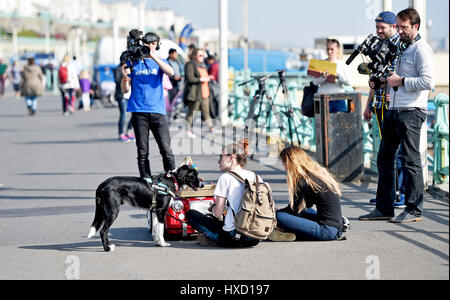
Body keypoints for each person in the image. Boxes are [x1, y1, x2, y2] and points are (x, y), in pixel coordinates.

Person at [359, 8, 434, 223]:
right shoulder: (402, 47)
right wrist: (382, 83)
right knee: (384, 158)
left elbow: (427, 82)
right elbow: (395, 79)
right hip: (394, 110)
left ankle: (414, 210)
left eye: (404, 27)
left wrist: (401, 81)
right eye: (398, 27)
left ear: (415, 27)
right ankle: (384, 208)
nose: (399, 31)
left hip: (412, 110)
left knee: (410, 160)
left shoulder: (422, 49)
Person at [362, 11, 406, 209]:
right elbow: (375, 79)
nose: (379, 31)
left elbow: (399, 75)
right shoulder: (379, 45)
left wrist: (390, 87)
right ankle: (388, 193)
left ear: (393, 27)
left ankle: (400, 193)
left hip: (395, 104)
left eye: (383, 27)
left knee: (398, 153)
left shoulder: (399, 46)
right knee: (385, 153)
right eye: (377, 27)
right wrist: (368, 104)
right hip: (379, 103)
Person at [185, 139, 260, 247]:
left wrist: (213, 207)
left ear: (232, 157)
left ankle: (214, 239)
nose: (219, 161)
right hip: (255, 237)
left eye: (221, 157)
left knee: (191, 214)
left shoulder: (225, 178)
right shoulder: (256, 177)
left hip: (234, 237)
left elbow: (217, 213)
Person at [121, 32, 176, 178]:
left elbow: (171, 72)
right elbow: (125, 90)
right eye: (147, 43)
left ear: (157, 45)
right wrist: (125, 78)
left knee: (166, 149)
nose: (149, 46)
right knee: (142, 151)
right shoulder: (133, 62)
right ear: (142, 44)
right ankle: (146, 182)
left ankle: (172, 179)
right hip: (139, 111)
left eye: (153, 44)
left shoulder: (160, 61)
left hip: (158, 111)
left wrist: (153, 57)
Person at [269, 146, 348, 242]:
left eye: (284, 164)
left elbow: (293, 210)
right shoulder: (316, 175)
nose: (285, 168)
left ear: (291, 163)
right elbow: (303, 207)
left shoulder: (304, 181)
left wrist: (274, 212)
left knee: (279, 217)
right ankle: (289, 232)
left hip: (326, 231)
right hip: (336, 227)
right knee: (304, 211)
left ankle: (290, 234)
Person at [312, 38, 351, 113]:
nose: (329, 52)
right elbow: (315, 82)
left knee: (341, 123)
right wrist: (323, 77)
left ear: (338, 50)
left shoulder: (342, 64)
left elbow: (348, 82)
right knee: (325, 124)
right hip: (324, 97)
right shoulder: (321, 63)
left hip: (339, 98)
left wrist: (337, 76)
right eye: (328, 49)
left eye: (332, 49)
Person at [183, 48, 215, 138]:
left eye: (203, 55)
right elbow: (190, 78)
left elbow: (204, 76)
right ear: (194, 56)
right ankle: (188, 131)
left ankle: (212, 128)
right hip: (195, 94)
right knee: (191, 113)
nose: (202, 57)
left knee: (206, 112)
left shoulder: (202, 65)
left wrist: (208, 77)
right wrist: (203, 79)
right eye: (200, 55)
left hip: (205, 93)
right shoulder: (190, 65)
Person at [114, 64, 134, 142]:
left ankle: (129, 131)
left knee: (135, 114)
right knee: (123, 114)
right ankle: (121, 134)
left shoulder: (132, 68)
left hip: (130, 95)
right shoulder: (118, 69)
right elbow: (117, 81)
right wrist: (123, 74)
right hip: (121, 95)